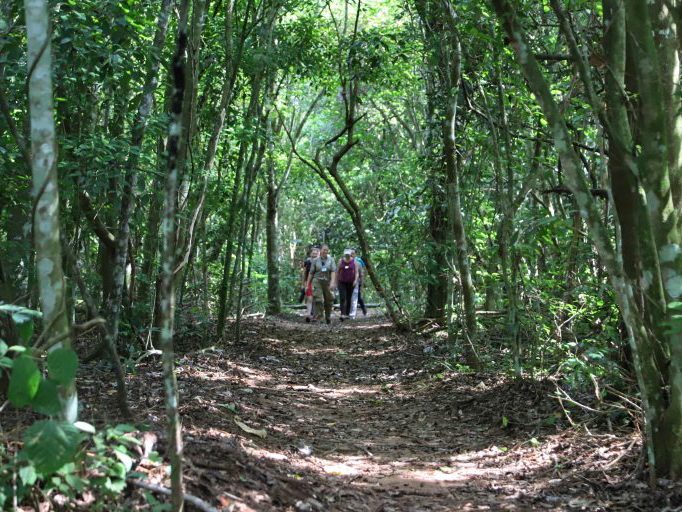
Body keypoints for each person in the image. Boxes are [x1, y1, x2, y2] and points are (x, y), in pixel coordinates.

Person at [307, 244, 337, 324]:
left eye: (327, 250)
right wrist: (307, 284)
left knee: (329, 300)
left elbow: (333, 271)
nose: (325, 251)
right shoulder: (315, 260)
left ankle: (328, 316)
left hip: (327, 281)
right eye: (324, 250)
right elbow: (311, 273)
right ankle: (320, 317)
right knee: (318, 299)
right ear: (320, 250)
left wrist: (332, 282)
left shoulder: (331, 260)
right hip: (317, 281)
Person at [337, 249, 358, 320]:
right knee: (343, 297)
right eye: (346, 254)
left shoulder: (354, 261)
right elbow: (337, 271)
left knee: (349, 298)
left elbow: (357, 272)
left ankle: (347, 313)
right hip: (342, 282)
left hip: (351, 282)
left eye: (348, 254)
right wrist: (335, 281)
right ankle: (342, 314)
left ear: (350, 254)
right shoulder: (341, 261)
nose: (347, 256)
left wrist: (355, 280)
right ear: (344, 254)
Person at [302, 246, 320, 322]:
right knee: (309, 298)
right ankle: (308, 315)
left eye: (316, 253)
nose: (315, 254)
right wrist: (303, 283)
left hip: (318, 282)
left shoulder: (321, 262)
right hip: (309, 282)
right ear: (310, 254)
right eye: (313, 253)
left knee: (316, 299)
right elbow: (304, 273)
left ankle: (315, 316)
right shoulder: (307, 262)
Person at [349, 249, 367, 318]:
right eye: (350, 253)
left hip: (357, 281)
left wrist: (363, 281)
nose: (351, 255)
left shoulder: (359, 261)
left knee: (358, 297)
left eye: (353, 253)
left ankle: (363, 308)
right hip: (348, 282)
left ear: (355, 254)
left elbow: (363, 270)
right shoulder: (346, 260)